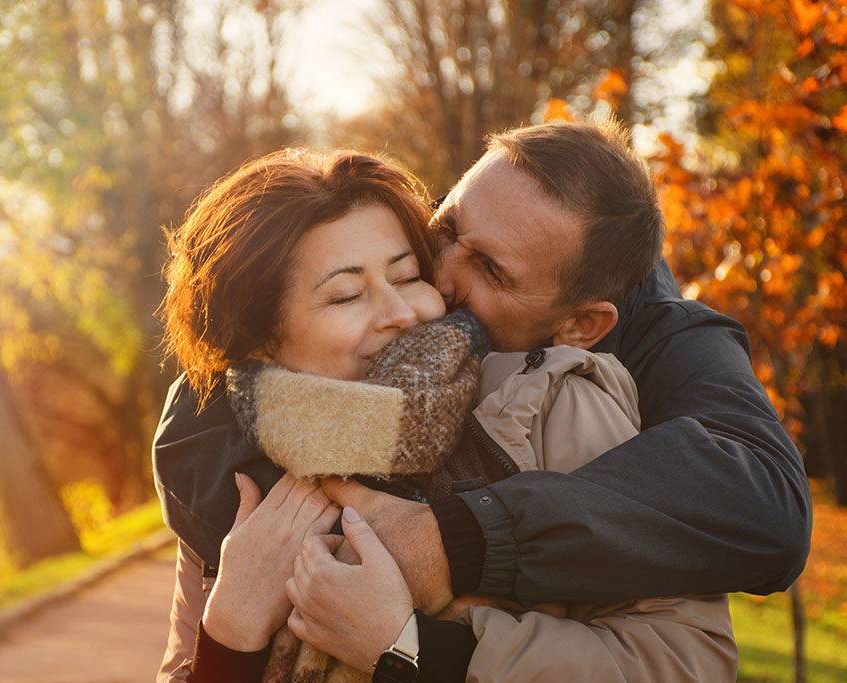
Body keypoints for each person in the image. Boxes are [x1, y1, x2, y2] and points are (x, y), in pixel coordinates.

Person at [139, 142, 736, 683]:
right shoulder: (242, 482)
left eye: (407, 272)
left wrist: (408, 649)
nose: (412, 306)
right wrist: (229, 635)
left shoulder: (550, 403)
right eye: (345, 295)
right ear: (261, 343)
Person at [153, 123, 811, 615]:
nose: (436, 278)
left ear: (582, 323)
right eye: (444, 229)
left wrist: (462, 538)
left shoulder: (660, 331)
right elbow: (204, 409)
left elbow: (764, 503)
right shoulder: (407, 260)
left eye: (491, 271)